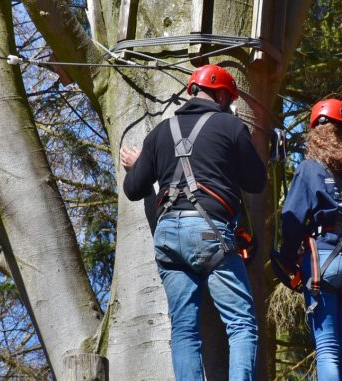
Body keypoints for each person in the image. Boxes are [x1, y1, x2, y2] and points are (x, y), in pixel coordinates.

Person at [121, 64, 266, 380]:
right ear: (224, 95)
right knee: (241, 324)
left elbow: (134, 188)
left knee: (184, 328)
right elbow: (256, 182)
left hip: (168, 236)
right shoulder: (230, 126)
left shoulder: (160, 132)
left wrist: (139, 165)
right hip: (208, 232)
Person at [276, 99, 342, 380]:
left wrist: (286, 257)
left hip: (324, 263)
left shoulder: (311, 168)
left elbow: (292, 217)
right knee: (337, 357)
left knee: (327, 352)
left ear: (315, 132)